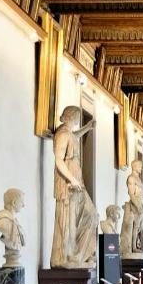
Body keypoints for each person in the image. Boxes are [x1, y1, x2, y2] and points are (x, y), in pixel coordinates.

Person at [51, 106, 98, 267]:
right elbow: (58, 160)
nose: (79, 120)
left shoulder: (69, 133)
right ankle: (67, 256)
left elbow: (75, 136)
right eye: (77, 117)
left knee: (91, 215)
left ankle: (79, 253)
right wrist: (72, 179)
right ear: (71, 117)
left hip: (77, 179)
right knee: (69, 220)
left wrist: (87, 128)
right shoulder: (63, 134)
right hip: (68, 181)